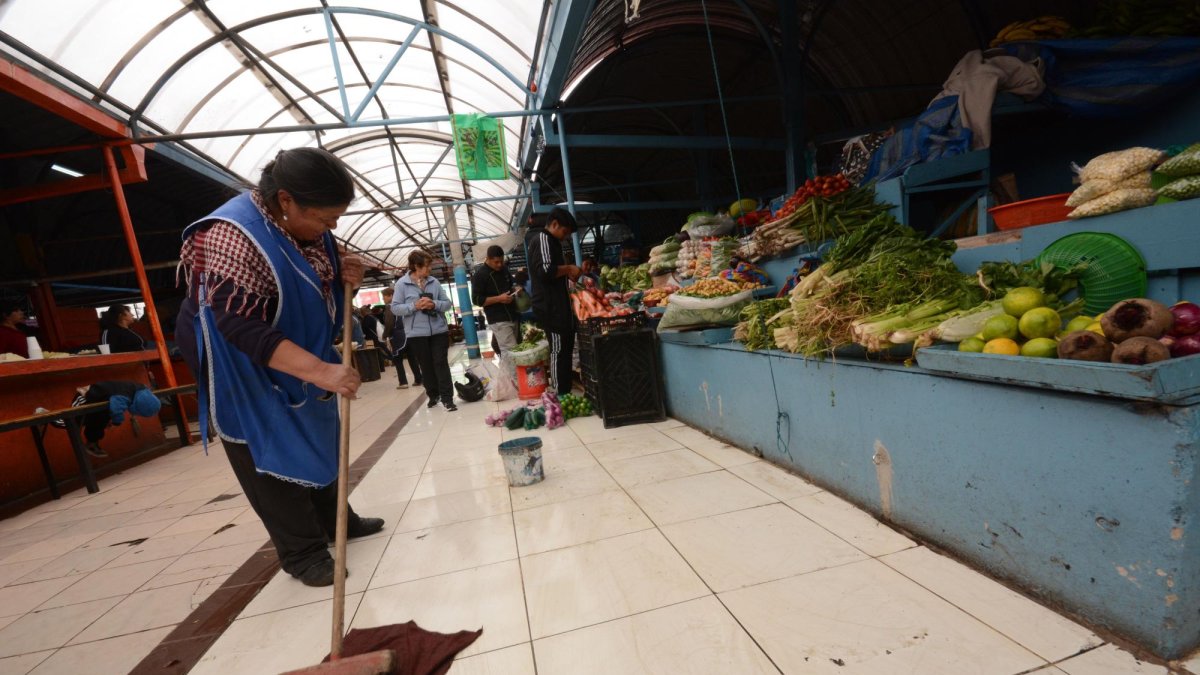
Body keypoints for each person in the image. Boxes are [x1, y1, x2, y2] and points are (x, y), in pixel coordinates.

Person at [175, 147, 383, 587]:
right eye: (326, 219)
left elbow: (315, 281)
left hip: (288, 338)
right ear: (286, 200)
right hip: (235, 353)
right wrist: (320, 370)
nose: (332, 228)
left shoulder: (305, 228)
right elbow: (240, 325)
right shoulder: (230, 236)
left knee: (314, 424)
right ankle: (302, 552)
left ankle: (336, 520)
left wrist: (347, 275)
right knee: (265, 440)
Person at [391, 250, 457, 411]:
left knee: (441, 363)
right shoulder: (402, 284)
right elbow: (395, 308)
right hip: (416, 334)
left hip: (438, 330)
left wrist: (434, 304)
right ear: (416, 266)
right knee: (426, 365)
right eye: (427, 266)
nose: (430, 269)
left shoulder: (434, 282)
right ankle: (433, 395)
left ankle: (447, 398)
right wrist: (414, 306)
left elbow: (447, 303)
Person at [529, 207, 581, 396]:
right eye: (565, 232)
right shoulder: (543, 239)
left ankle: (565, 390)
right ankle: (560, 394)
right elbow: (545, 271)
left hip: (559, 306)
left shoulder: (553, 242)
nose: (565, 237)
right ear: (555, 224)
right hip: (550, 307)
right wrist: (568, 269)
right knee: (559, 350)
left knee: (565, 348)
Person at [471, 245, 520, 377]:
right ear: (488, 259)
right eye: (496, 262)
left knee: (515, 349)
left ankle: (508, 379)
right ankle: (514, 381)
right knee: (510, 350)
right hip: (497, 319)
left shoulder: (504, 269)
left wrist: (516, 290)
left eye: (501, 261)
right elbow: (476, 300)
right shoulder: (480, 275)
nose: (499, 265)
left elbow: (512, 285)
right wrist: (499, 299)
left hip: (513, 314)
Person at [381, 287, 422, 389]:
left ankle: (403, 382)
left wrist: (385, 335)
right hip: (408, 334)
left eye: (384, 297)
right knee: (412, 358)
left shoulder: (390, 307)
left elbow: (389, 323)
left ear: (391, 296)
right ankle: (419, 379)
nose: (383, 299)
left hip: (397, 337)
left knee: (398, 360)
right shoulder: (403, 305)